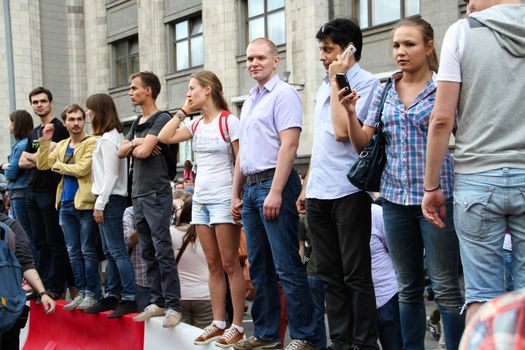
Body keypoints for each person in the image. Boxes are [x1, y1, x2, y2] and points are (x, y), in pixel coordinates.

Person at [339, 18, 465, 349]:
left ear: (428, 46)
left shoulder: (445, 88)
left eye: (409, 44)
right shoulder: (383, 90)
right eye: (396, 45)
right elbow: (363, 146)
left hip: (438, 199)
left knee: (445, 285)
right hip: (394, 200)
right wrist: (351, 113)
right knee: (407, 286)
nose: (401, 51)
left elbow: (464, 139)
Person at [422, 0, 525, 326]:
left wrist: (431, 185)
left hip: (477, 178)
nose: (467, 5)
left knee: (481, 296)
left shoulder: (462, 33)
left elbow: (441, 118)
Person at [296, 18, 380, 350]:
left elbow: (343, 132)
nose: (322, 56)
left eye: (328, 49)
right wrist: (306, 188)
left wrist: (337, 80)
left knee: (355, 275)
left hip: (349, 191)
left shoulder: (369, 83)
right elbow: (322, 144)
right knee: (329, 275)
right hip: (319, 192)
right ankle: (341, 342)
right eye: (321, 49)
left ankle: (363, 343)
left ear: (348, 50)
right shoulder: (322, 84)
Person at [230, 38, 317, 350]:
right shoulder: (250, 99)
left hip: (273, 184)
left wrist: (277, 191)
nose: (254, 63)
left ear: (275, 60)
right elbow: (243, 153)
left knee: (286, 265)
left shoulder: (284, 94)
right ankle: (266, 334)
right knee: (258, 265)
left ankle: (305, 335)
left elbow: (290, 146)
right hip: (251, 186)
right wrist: (235, 193)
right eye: (250, 58)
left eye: (260, 58)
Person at [158, 70, 245, 347]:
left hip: (223, 198)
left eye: (193, 88)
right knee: (212, 264)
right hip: (201, 202)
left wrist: (235, 195)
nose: (189, 92)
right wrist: (184, 110)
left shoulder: (228, 120)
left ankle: (237, 325)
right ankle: (218, 322)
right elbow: (165, 136)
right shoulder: (195, 125)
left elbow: (241, 158)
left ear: (208, 90)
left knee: (231, 264)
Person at [117, 71, 182, 328]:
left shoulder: (162, 117)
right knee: (146, 250)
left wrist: (137, 144)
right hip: (139, 194)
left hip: (156, 192)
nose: (130, 92)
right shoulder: (137, 121)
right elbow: (121, 151)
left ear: (149, 91)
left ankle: (173, 305)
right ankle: (158, 301)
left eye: (134, 88)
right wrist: (139, 141)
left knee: (162, 247)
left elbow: (142, 152)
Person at [35, 104, 100, 311]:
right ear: (65, 122)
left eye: (79, 119)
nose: (76, 123)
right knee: (72, 251)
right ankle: (81, 293)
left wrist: (59, 166)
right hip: (64, 203)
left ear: (84, 121)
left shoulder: (91, 142)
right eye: (71, 119)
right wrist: (45, 141)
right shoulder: (62, 144)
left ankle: (93, 293)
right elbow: (42, 164)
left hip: (85, 203)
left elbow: (82, 169)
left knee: (87, 251)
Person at [85, 93, 137, 317]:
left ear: (99, 111)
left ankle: (128, 296)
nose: (88, 113)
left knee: (116, 251)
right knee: (111, 250)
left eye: (90, 109)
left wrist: (100, 203)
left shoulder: (108, 139)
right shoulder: (113, 136)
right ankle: (114, 294)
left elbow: (111, 175)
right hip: (111, 199)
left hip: (109, 199)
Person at [18, 87, 70, 300]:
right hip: (32, 191)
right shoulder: (33, 132)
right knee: (38, 243)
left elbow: (51, 157)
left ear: (51, 103)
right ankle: (43, 287)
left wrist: (36, 157)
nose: (39, 105)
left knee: (54, 242)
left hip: (51, 191)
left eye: (42, 101)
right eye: (35, 102)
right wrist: (39, 157)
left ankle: (56, 287)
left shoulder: (60, 127)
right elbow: (22, 161)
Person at [0, 176, 55, 350]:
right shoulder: (10, 228)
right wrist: (43, 292)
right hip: (7, 309)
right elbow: (26, 263)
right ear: (5, 199)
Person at [170, 197, 213, 329]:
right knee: (205, 340)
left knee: (183, 340)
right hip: (206, 294)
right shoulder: (210, 233)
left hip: (179, 294)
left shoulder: (170, 232)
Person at [370, 201, 403, 350]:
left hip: (386, 295)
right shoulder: (332, 216)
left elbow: (396, 251)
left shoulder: (375, 213)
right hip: (355, 301)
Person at [2, 110, 33, 250]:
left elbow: (11, 173)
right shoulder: (21, 143)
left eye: (11, 121)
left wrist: (5, 167)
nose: (9, 125)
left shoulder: (22, 145)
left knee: (24, 234)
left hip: (21, 192)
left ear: (17, 124)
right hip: (18, 192)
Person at [123, 206, 150, 312]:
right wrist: (148, 221)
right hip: (140, 279)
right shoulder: (131, 211)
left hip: (162, 281)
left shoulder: (167, 208)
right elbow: (129, 240)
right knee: (141, 323)